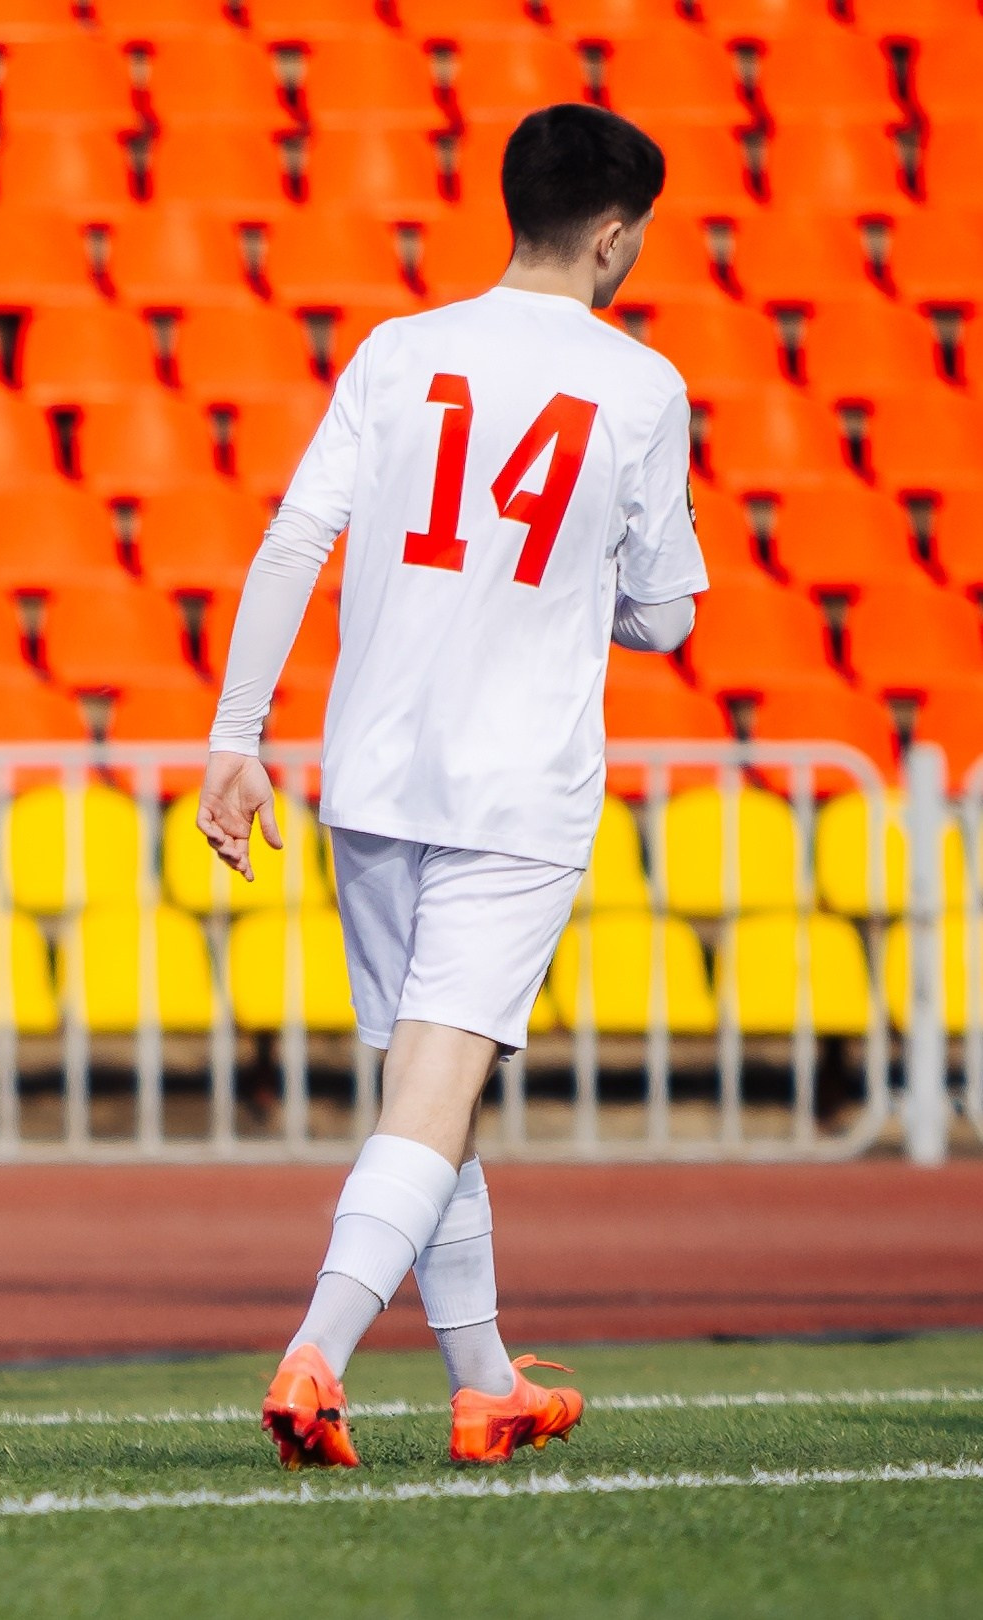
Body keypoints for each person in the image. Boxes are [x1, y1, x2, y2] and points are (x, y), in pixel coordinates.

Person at [196, 103, 704, 1468]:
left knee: (424, 1089)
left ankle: (484, 1382)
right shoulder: (637, 387)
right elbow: (664, 618)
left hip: (368, 771)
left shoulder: (396, 350)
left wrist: (232, 735)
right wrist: (563, 583)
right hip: (513, 786)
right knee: (433, 1090)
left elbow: (299, 533)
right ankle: (314, 1353)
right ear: (612, 235)